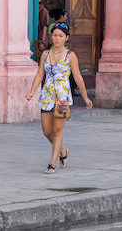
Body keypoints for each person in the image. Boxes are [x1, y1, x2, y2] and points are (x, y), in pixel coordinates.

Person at [25, 22, 92, 174]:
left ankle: (52, 163)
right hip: (47, 97)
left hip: (62, 98)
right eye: (55, 35)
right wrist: (32, 91)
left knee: (57, 130)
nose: (57, 38)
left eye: (61, 36)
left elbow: (78, 77)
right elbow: (40, 74)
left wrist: (85, 97)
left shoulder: (70, 56)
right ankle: (63, 150)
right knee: (46, 131)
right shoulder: (46, 54)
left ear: (66, 38)